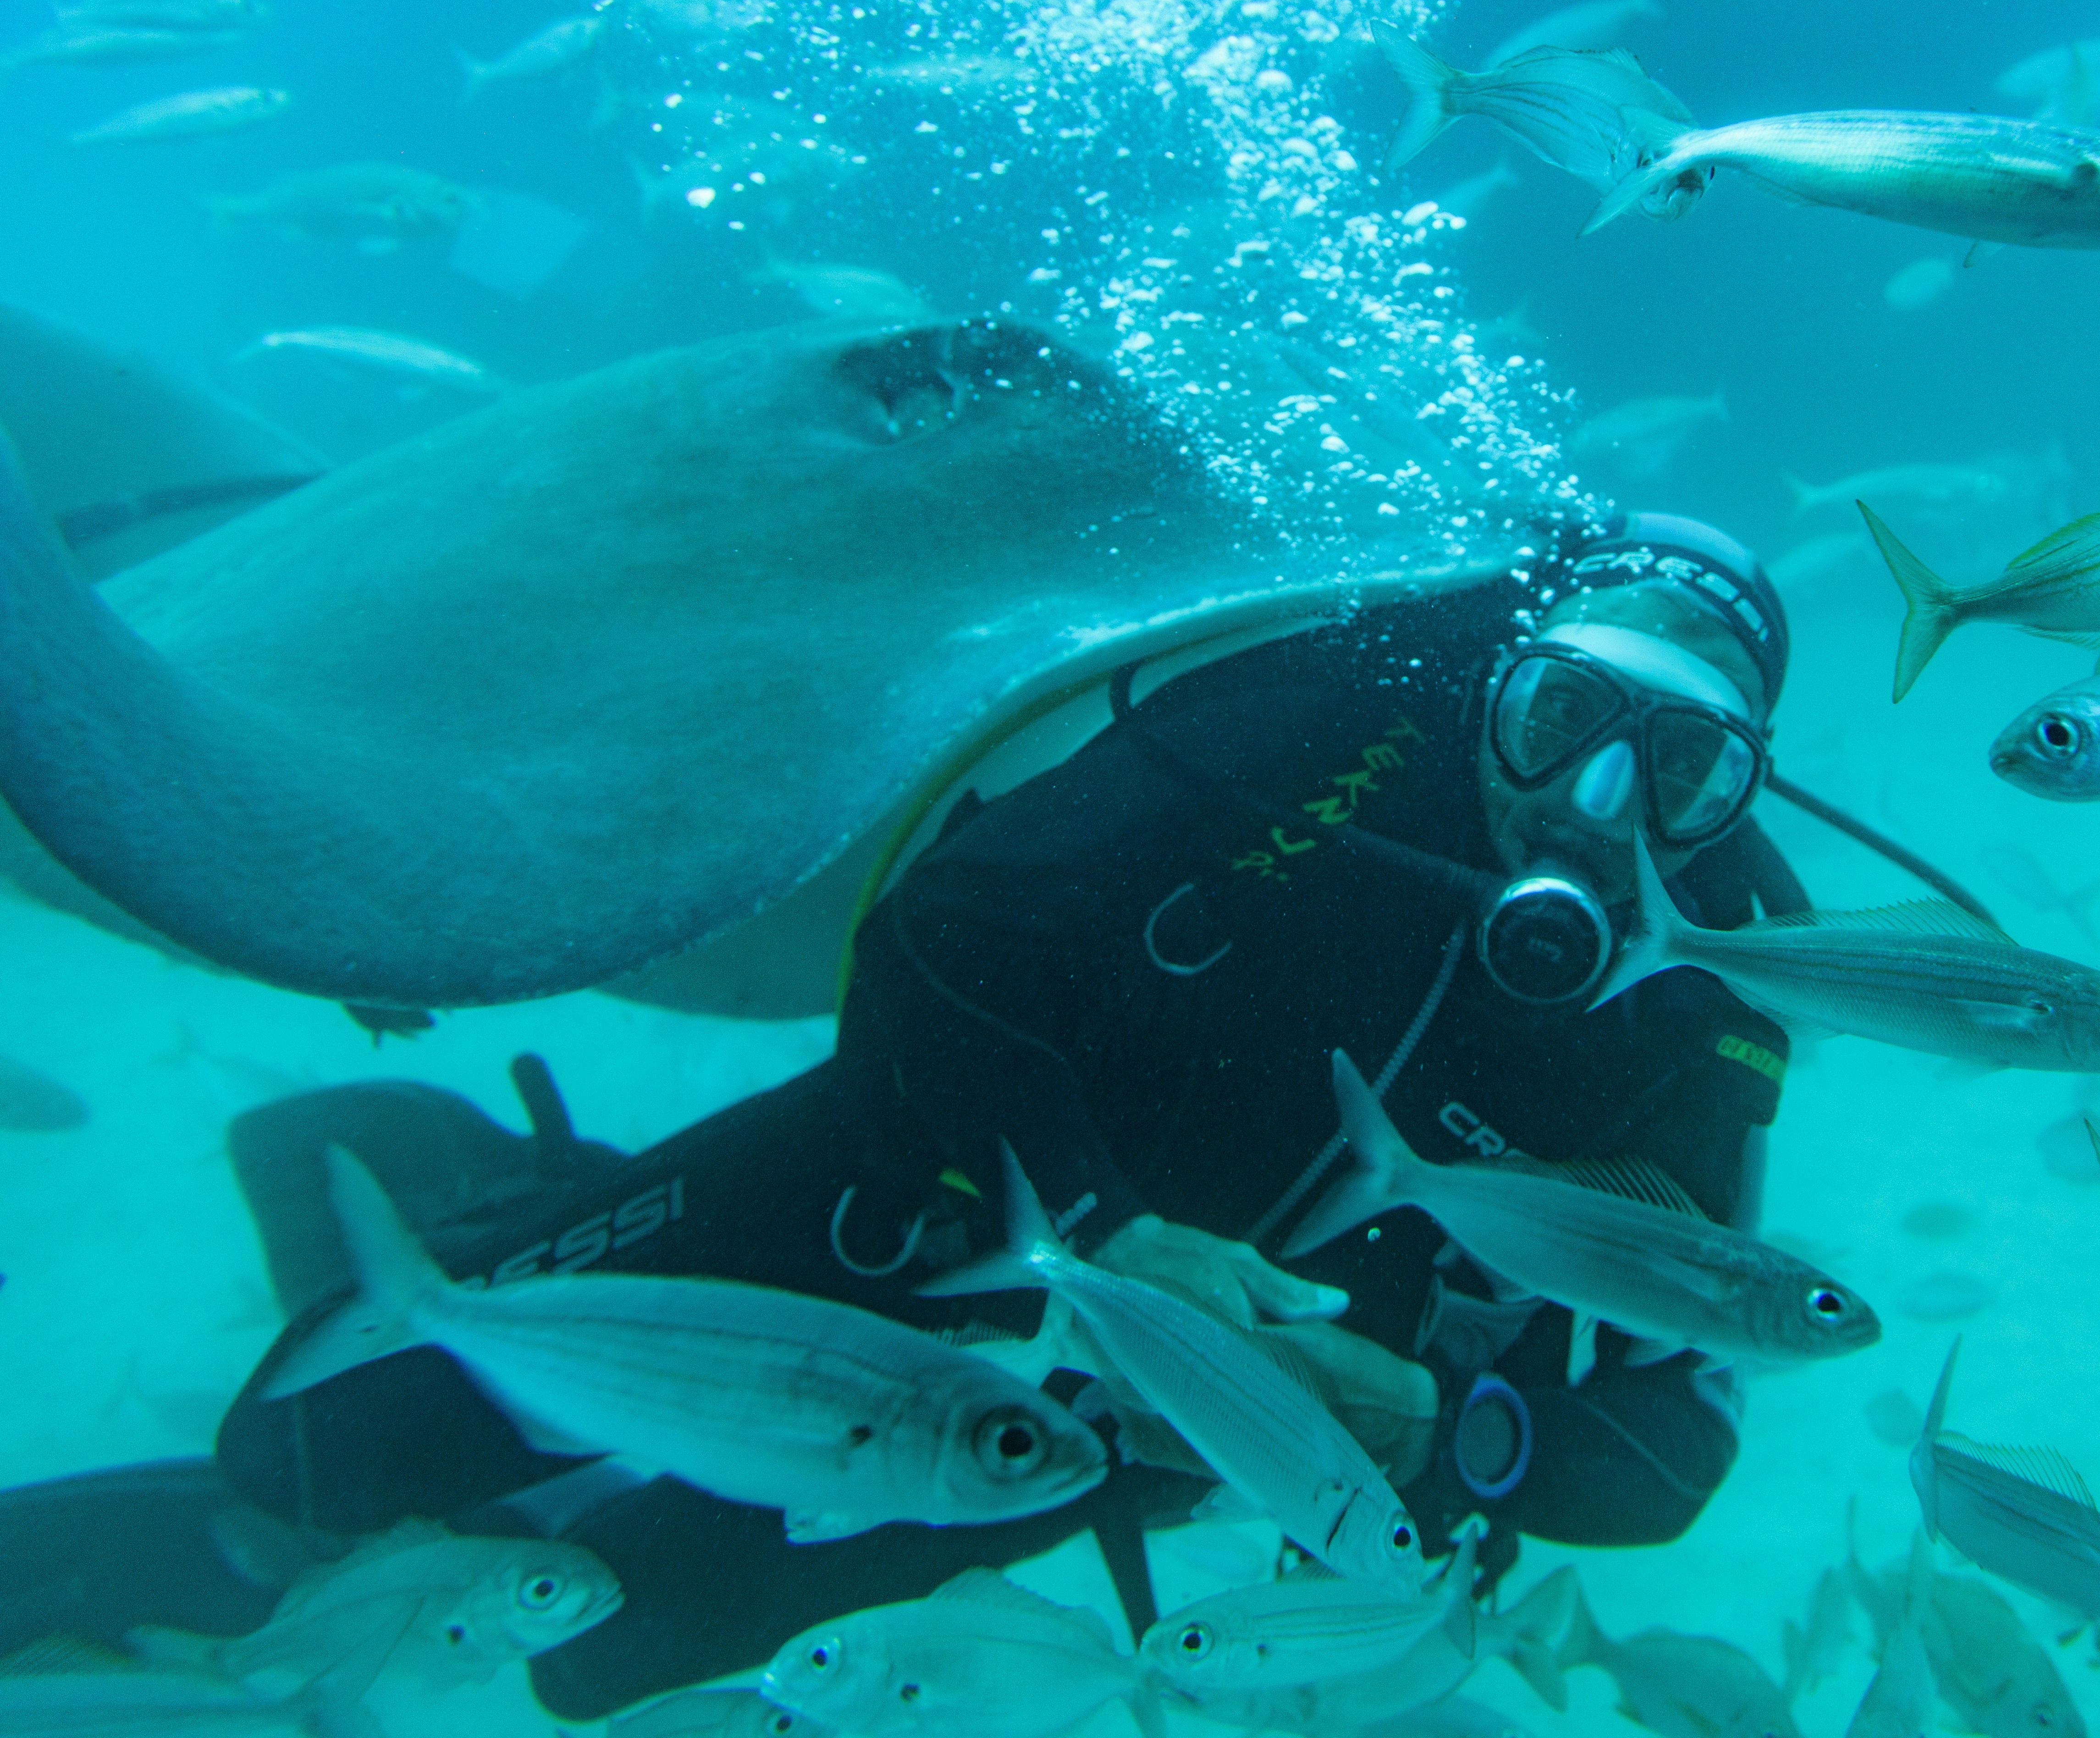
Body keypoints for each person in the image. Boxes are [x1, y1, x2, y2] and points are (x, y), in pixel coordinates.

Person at [203, 513, 1813, 1717]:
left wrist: (1443, 1438)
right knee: (310, 1453)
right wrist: (1107, 1233)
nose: (1595, 805)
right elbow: (936, 947)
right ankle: (522, 1200)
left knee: (602, 1655)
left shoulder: (1720, 986)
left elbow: (1671, 1446)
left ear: (1740, 795)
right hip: (920, 1173)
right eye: (1560, 720)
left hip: (1129, 1422)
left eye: (1683, 770)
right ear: (1495, 679)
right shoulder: (1331, 717)